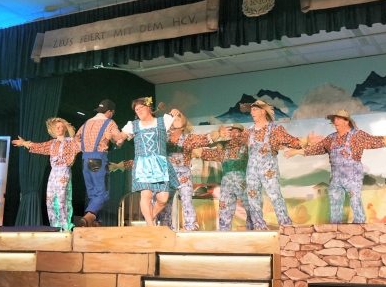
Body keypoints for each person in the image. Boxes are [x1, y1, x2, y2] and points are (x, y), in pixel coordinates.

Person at [284, 109, 386, 224]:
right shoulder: (331, 138)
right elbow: (316, 148)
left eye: (338, 119)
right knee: (334, 202)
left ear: (346, 121)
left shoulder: (357, 135)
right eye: (334, 119)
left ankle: (359, 225)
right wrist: (296, 151)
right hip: (336, 176)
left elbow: (374, 141)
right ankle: (335, 228)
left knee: (355, 200)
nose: (335, 121)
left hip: (353, 174)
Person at [226, 100, 320, 227]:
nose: (252, 112)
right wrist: (225, 135)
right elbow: (236, 143)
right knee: (253, 198)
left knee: (275, 196)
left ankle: (286, 225)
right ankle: (259, 226)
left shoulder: (275, 129)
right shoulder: (248, 131)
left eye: (254, 109)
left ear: (263, 111)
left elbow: (290, 141)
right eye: (251, 110)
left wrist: (306, 141)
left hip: (269, 169)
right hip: (252, 170)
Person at [119, 97, 180, 226]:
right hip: (143, 165)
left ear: (149, 108)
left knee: (163, 199)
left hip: (160, 164)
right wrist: (115, 138)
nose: (139, 111)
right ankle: (151, 226)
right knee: (146, 195)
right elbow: (120, 138)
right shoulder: (133, 125)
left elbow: (181, 124)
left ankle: (150, 218)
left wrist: (179, 114)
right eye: (136, 109)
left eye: (141, 107)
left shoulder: (162, 121)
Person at [12, 118, 78, 231]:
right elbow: (39, 146)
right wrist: (24, 143)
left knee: (62, 198)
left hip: (64, 170)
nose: (58, 129)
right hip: (54, 172)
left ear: (65, 128)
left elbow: (84, 145)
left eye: (60, 126)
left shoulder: (72, 142)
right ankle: (55, 227)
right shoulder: (52, 143)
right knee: (50, 200)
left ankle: (65, 226)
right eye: (56, 127)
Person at [195, 123, 260, 231]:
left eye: (237, 132)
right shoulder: (224, 148)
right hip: (226, 182)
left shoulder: (246, 147)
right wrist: (218, 135)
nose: (234, 134)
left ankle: (253, 232)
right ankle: (224, 233)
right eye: (232, 131)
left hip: (242, 180)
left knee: (251, 208)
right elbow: (205, 152)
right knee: (224, 210)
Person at [73, 99, 125, 227]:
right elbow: (119, 141)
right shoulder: (109, 122)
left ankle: (95, 221)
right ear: (109, 112)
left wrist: (83, 148)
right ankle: (88, 216)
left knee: (93, 194)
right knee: (103, 194)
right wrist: (112, 139)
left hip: (85, 160)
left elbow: (75, 138)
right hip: (99, 160)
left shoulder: (87, 123)